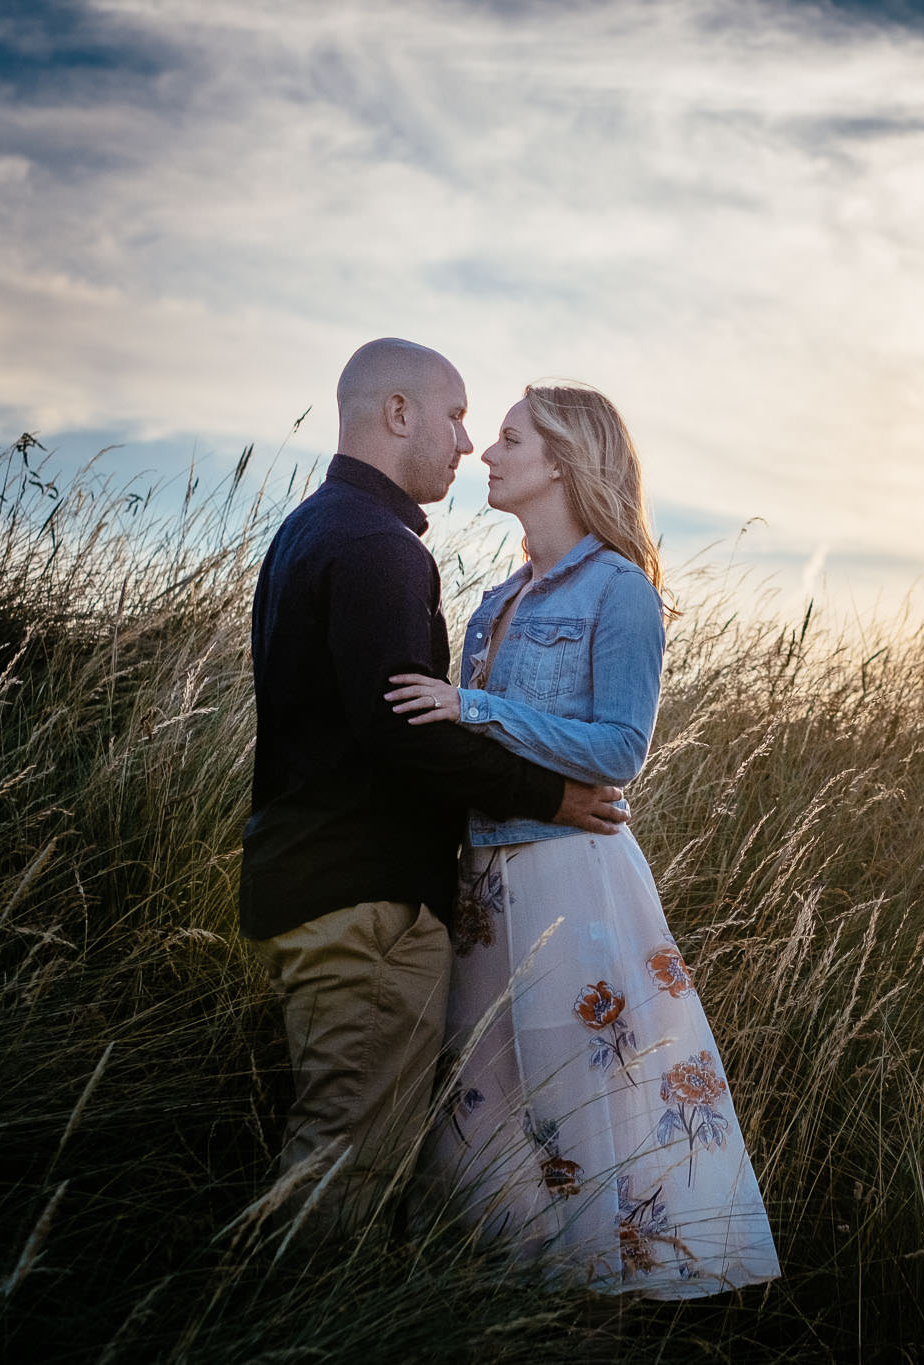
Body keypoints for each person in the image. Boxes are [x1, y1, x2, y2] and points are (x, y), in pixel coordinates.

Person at [385, 382, 780, 1297]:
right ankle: (503, 1285)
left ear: (562, 460)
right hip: (483, 877)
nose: (486, 450)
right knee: (481, 1088)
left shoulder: (622, 589)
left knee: (584, 1082)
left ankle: (615, 1291)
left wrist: (474, 705)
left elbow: (619, 749)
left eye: (511, 438)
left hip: (571, 871)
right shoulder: (495, 598)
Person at [240, 338, 630, 1248]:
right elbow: (401, 730)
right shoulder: (378, 546)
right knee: (348, 1155)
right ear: (397, 412)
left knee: (343, 1138)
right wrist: (550, 795)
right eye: (456, 417)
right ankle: (284, 1320)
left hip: (319, 886)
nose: (466, 444)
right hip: (364, 897)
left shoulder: (315, 527)